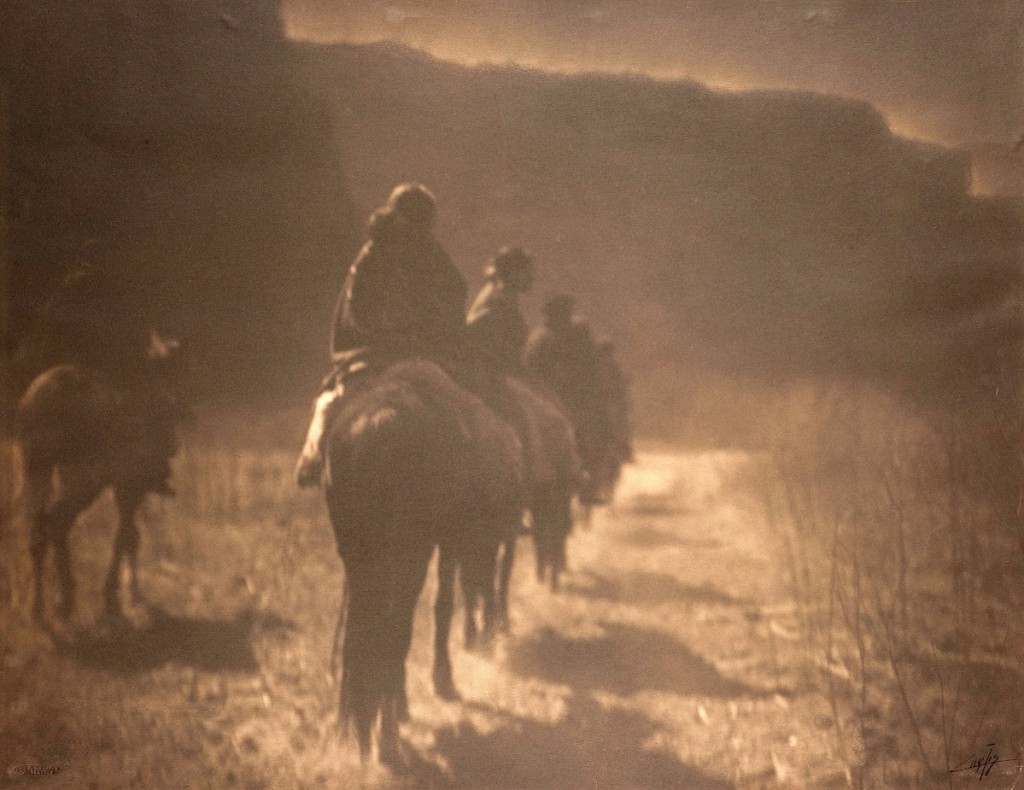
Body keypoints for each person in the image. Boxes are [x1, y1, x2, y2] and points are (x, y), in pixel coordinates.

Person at [296, 183, 469, 486]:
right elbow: (359, 307)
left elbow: (455, 289)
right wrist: (406, 333)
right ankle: (312, 459)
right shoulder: (375, 255)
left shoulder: (424, 251)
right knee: (458, 403)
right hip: (378, 352)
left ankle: (311, 460)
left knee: (330, 404)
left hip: (397, 352)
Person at [465, 246, 534, 374]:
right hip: (484, 371)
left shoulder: (505, 295)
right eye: (525, 269)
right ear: (513, 271)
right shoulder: (497, 297)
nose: (531, 275)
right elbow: (472, 328)